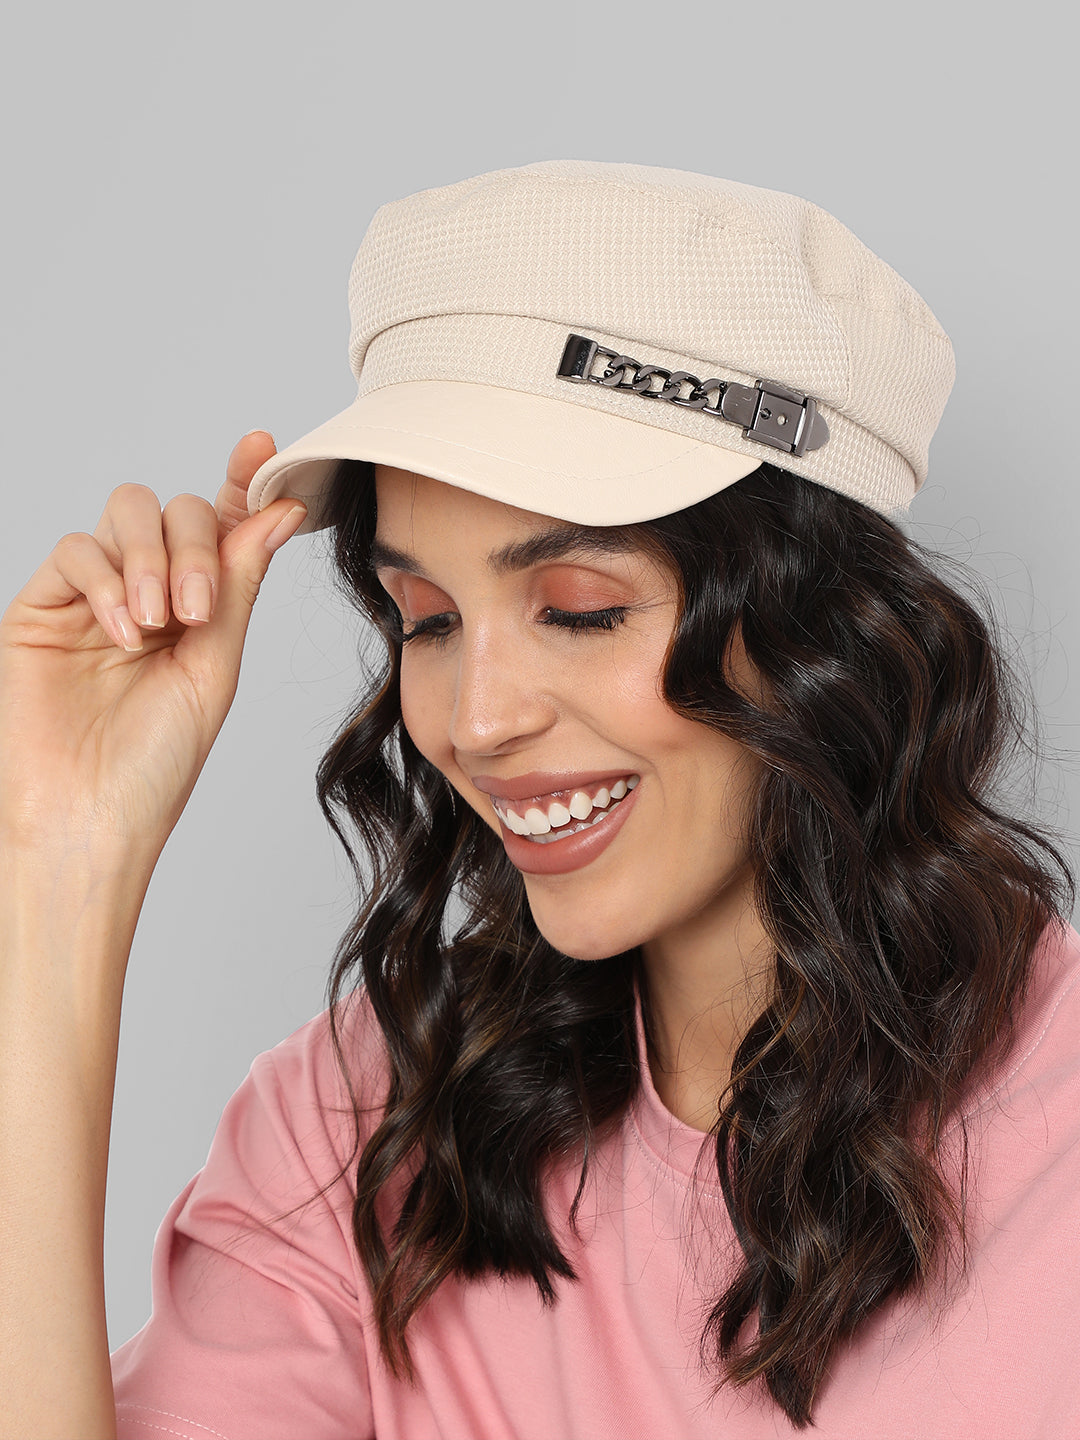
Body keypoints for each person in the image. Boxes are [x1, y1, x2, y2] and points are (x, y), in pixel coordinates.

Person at [0, 160, 1076, 1440]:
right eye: (428, 619)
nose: (477, 720)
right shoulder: (355, 1131)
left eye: (579, 610)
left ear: (817, 627)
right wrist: (56, 857)